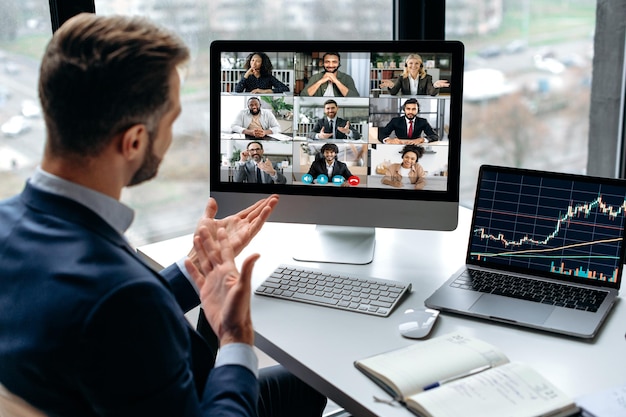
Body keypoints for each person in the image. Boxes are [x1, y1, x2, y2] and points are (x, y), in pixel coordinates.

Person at [0, 13, 327, 417]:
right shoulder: (125, 297)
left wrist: (193, 268)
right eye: (171, 119)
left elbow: (96, 320)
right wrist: (236, 338)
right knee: (311, 387)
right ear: (135, 140)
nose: (172, 137)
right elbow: (118, 307)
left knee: (301, 386)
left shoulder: (9, 223)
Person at [379, 54, 450, 96]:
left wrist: (435, 86)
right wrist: (391, 85)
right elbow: (394, 92)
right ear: (406, 65)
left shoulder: (427, 77)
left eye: (417, 63)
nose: (413, 66)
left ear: (420, 65)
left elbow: (431, 93)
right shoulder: (402, 77)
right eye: (411, 63)